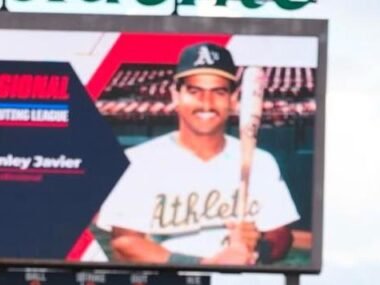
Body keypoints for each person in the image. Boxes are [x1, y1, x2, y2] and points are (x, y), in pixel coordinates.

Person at [97, 42, 299, 268]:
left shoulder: (261, 162)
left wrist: (257, 250)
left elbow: (282, 235)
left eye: (218, 92)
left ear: (233, 99)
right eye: (195, 91)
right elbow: (124, 243)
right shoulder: (139, 161)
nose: (206, 103)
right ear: (176, 95)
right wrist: (205, 263)